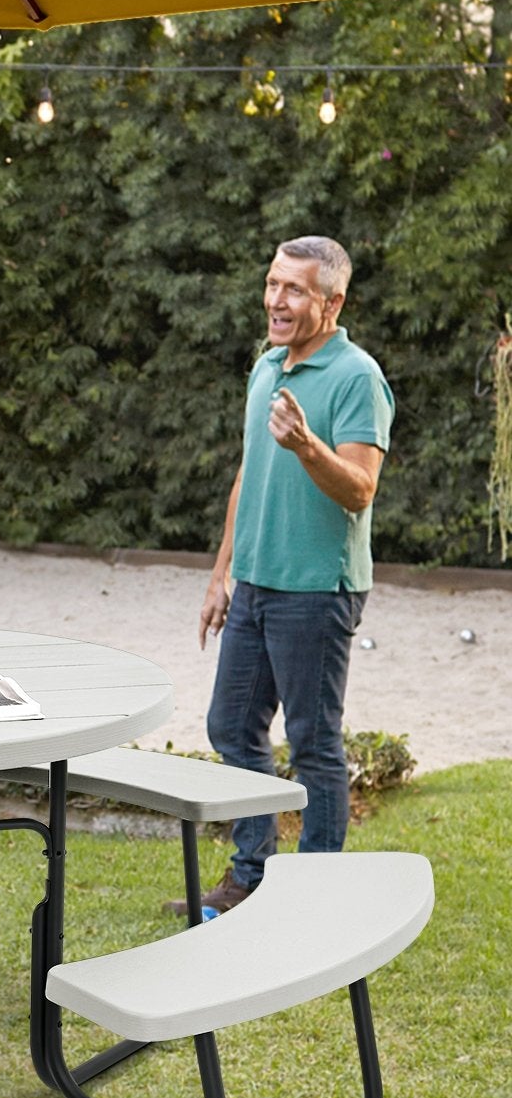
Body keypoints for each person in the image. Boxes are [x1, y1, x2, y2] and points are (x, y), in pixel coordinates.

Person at [175, 235, 393, 916]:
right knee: (231, 725)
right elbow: (249, 473)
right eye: (273, 284)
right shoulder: (268, 367)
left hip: (318, 591)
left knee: (312, 743)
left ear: (333, 302)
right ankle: (253, 873)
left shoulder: (358, 377)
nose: (276, 300)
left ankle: (315, 894)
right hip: (257, 585)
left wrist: (307, 445)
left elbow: (360, 488)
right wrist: (220, 573)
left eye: (294, 289)